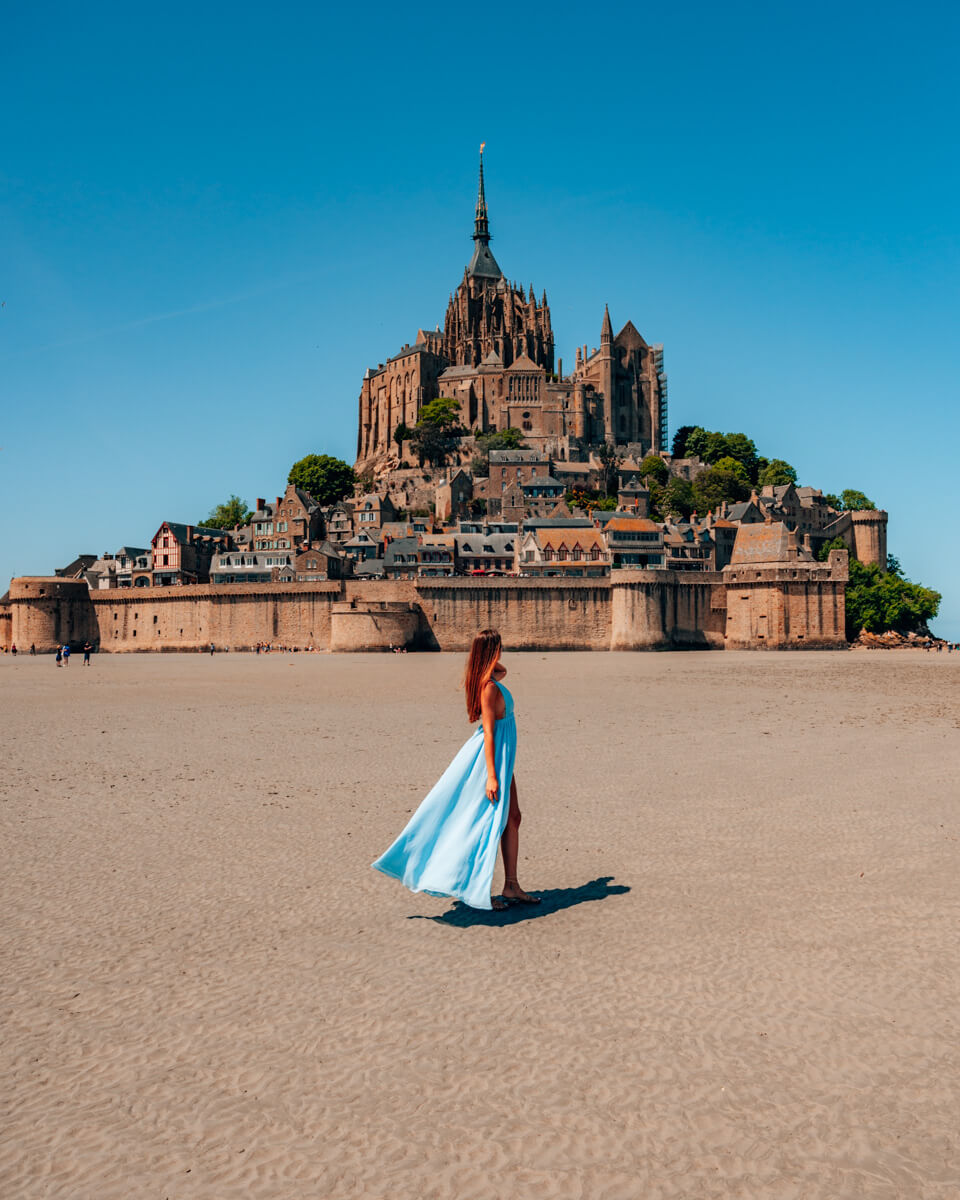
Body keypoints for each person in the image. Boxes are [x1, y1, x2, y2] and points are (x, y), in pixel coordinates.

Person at [372, 627, 538, 911]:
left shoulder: (490, 680)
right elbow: (488, 733)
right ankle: (477, 889)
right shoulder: (487, 689)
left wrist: (487, 658)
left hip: (503, 758)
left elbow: (502, 670)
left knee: (514, 818)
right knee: (485, 823)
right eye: (498, 647)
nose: (502, 652)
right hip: (492, 761)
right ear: (491, 651)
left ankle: (511, 885)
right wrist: (492, 776)